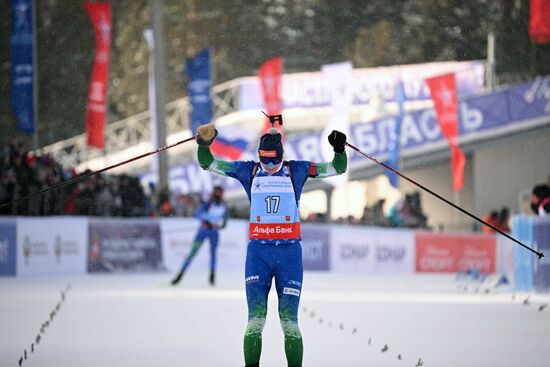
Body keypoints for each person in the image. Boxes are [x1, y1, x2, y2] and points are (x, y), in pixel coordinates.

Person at [193, 121, 347, 367]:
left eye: (275, 160)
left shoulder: (296, 170)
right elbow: (207, 163)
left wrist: (339, 149)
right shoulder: (249, 171)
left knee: (289, 322)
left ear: (282, 156)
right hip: (259, 255)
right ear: (258, 156)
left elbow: (338, 169)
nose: (271, 165)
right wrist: (203, 143)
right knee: (255, 319)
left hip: (289, 256)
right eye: (265, 160)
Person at [171, 185, 228, 286]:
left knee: (213, 254)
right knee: (193, 253)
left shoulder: (223, 204)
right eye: (216, 193)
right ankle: (180, 275)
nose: (217, 195)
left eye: (219, 193)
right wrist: (206, 220)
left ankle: (212, 276)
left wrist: (222, 224)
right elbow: (197, 213)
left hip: (214, 232)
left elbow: (225, 218)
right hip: (203, 230)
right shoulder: (208, 203)